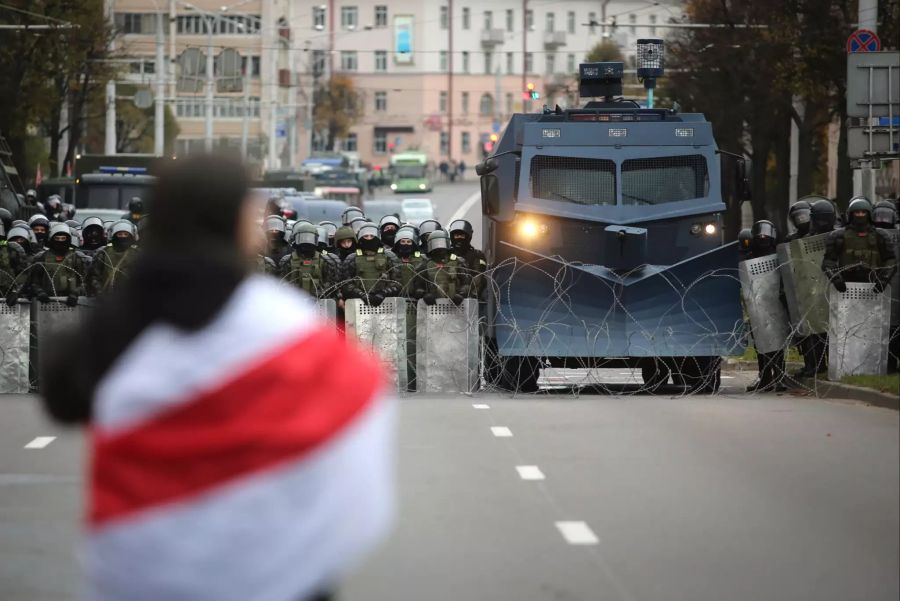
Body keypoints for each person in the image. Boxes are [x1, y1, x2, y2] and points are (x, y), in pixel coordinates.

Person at [39, 154, 394, 601]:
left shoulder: (128, 315)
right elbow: (354, 400)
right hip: (275, 565)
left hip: (154, 567)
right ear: (238, 223)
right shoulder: (280, 316)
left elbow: (63, 397)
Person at [822, 197, 896, 294]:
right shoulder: (838, 236)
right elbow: (828, 261)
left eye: (863, 212)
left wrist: (883, 280)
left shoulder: (881, 235)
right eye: (857, 212)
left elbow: (890, 260)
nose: (860, 215)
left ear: (869, 214)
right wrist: (836, 279)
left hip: (874, 286)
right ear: (851, 214)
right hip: (847, 286)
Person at [746, 220, 787, 393]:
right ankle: (765, 376)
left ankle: (779, 376)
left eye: (766, 234)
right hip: (757, 304)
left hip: (776, 303)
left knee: (778, 341)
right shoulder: (750, 256)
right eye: (760, 234)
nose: (763, 237)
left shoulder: (780, 255)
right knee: (760, 342)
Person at [21, 222, 86, 306]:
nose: (60, 241)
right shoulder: (42, 257)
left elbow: (85, 281)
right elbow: (32, 282)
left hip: (71, 302)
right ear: (51, 239)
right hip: (47, 302)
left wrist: (76, 293)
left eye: (63, 238)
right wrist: (40, 292)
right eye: (57, 238)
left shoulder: (75, 258)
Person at [341, 222, 400, 306]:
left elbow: (397, 282)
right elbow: (346, 283)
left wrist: (383, 293)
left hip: (386, 302)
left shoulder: (389, 256)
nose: (369, 239)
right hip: (359, 303)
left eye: (372, 236)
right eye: (366, 236)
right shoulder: (352, 258)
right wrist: (361, 294)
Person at [278, 222, 337, 299]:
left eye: (310, 238)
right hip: (293, 302)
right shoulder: (287, 260)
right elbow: (281, 283)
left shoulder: (324, 260)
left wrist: (320, 293)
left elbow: (330, 283)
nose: (306, 241)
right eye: (303, 238)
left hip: (318, 301)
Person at [413, 229, 471, 306]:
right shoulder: (425, 264)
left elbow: (467, 282)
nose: (439, 246)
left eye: (441, 243)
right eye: (436, 243)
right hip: (433, 306)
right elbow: (417, 285)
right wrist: (424, 294)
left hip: (455, 305)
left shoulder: (457, 262)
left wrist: (461, 294)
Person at [87, 220, 139, 296]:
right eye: (120, 234)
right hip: (106, 298)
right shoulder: (104, 253)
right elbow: (94, 276)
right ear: (113, 235)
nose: (123, 237)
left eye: (126, 234)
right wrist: (99, 291)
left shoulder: (137, 254)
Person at [449, 219, 487, 298]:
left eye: (462, 236)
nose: (459, 238)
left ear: (468, 236)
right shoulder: (446, 253)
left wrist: (465, 291)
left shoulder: (477, 255)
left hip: (469, 295)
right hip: (447, 292)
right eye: (456, 236)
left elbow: (478, 277)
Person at [392, 227, 426, 299]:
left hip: (416, 298)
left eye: (409, 242)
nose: (406, 244)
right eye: (403, 242)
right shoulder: (392, 259)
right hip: (397, 297)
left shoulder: (422, 259)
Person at [2, 222, 29, 302]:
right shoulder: (4, 247)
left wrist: (15, 291)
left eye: (21, 240)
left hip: (14, 294)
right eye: (14, 239)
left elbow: (23, 274)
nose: (17, 242)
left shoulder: (26, 258)